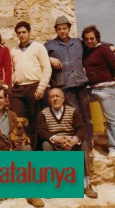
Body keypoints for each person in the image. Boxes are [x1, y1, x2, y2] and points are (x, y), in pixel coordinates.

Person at [0, 86, 44, 208]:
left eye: (1, 97)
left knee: (26, 150)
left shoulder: (12, 115)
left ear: (6, 99)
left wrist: (23, 141)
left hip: (9, 151)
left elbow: (18, 132)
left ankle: (32, 193)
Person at [37, 88, 97, 199]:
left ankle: (86, 184)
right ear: (48, 100)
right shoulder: (43, 114)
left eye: (57, 96)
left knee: (83, 144)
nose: (55, 99)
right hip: (55, 144)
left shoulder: (72, 111)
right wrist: (56, 139)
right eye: (52, 97)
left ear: (63, 98)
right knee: (46, 145)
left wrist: (75, 139)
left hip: (71, 143)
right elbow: (42, 131)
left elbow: (81, 128)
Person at [45, 16, 94, 150]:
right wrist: (49, 58)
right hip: (64, 86)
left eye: (65, 28)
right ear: (56, 30)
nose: (62, 31)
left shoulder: (78, 42)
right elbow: (40, 56)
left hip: (81, 83)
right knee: (76, 115)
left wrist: (110, 46)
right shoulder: (49, 45)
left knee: (87, 116)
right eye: (59, 29)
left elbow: (94, 43)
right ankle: (79, 145)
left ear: (69, 29)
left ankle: (88, 146)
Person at [10, 21, 52, 150]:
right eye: (19, 33)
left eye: (24, 32)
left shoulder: (38, 47)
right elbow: (11, 71)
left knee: (35, 120)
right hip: (18, 89)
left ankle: (35, 149)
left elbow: (47, 68)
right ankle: (20, 149)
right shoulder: (13, 51)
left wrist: (41, 87)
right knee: (17, 120)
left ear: (29, 33)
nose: (21, 35)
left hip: (34, 86)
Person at [82, 25, 115, 157]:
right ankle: (88, 145)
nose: (89, 41)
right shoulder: (85, 51)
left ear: (97, 38)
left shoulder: (104, 49)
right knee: (82, 113)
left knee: (110, 119)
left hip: (106, 88)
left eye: (92, 38)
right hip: (91, 89)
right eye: (86, 39)